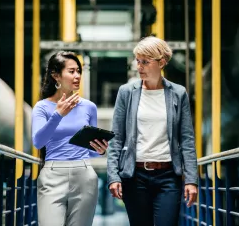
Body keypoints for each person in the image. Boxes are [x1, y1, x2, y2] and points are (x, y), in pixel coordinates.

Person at [107, 36, 198, 226]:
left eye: (145, 62)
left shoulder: (178, 93)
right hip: (135, 176)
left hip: (168, 176)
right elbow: (116, 138)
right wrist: (113, 176)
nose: (139, 67)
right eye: (138, 61)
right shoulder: (126, 92)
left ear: (161, 62)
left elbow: (187, 139)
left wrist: (191, 180)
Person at [32, 51, 108, 226]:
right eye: (72, 71)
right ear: (56, 76)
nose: (77, 76)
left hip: (84, 175)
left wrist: (100, 150)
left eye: (79, 71)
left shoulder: (89, 107)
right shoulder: (42, 107)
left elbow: (93, 153)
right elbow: (38, 141)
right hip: (52, 175)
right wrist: (58, 114)